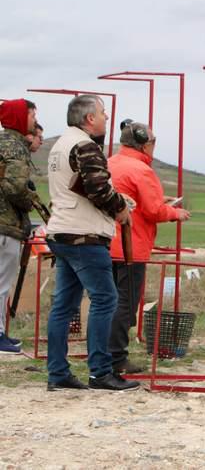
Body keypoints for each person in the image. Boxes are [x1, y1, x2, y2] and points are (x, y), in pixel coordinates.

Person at [45, 94, 139, 391]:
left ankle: (58, 373)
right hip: (84, 234)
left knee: (64, 306)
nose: (106, 118)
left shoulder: (59, 145)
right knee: (105, 300)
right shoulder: (86, 145)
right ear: (89, 118)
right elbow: (98, 190)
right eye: (102, 112)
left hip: (62, 230)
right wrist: (121, 207)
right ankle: (100, 371)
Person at [108, 119, 191, 374]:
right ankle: (116, 358)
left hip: (104, 242)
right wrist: (175, 213)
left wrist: (158, 201)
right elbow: (153, 210)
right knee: (125, 303)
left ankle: (102, 352)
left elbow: (132, 198)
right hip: (130, 245)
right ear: (145, 144)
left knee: (106, 302)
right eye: (153, 142)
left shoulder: (110, 162)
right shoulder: (142, 170)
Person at [0, 99, 38, 354]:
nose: (34, 121)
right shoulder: (15, 146)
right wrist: (31, 200)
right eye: (32, 115)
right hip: (6, 225)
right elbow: (14, 186)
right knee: (2, 283)